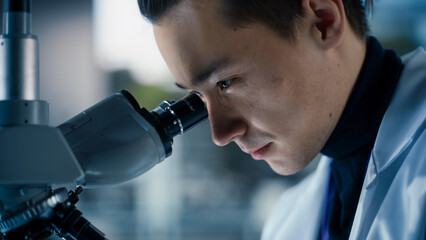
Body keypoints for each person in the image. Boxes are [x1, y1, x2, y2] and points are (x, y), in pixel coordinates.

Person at [137, 0, 426, 239]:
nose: (221, 134)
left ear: (324, 21)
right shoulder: (288, 221)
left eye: (226, 82)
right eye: (198, 98)